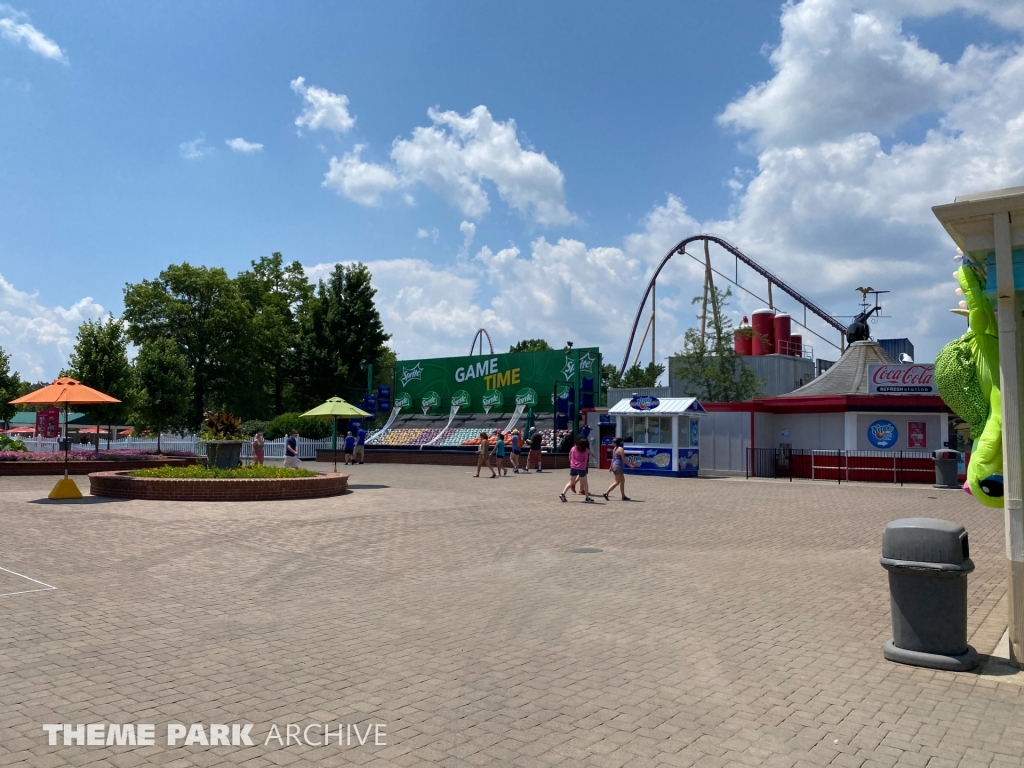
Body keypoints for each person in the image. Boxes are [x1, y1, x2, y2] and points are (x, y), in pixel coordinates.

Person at [561, 436, 593, 503]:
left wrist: (571, 464)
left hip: (573, 467)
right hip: (581, 468)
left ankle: (563, 494)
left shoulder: (573, 448)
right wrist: (584, 469)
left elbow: (570, 456)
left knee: (571, 482)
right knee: (585, 484)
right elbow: (585, 462)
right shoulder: (584, 452)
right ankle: (587, 498)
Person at [603, 437, 630, 501]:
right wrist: (630, 465)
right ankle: (606, 493)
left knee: (622, 480)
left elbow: (613, 458)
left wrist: (610, 467)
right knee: (617, 482)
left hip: (616, 466)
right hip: (618, 467)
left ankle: (623, 496)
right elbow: (624, 459)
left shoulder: (615, 448)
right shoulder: (620, 449)